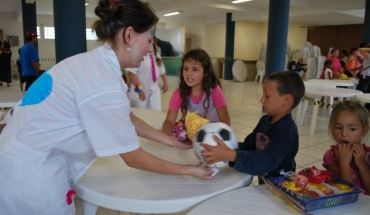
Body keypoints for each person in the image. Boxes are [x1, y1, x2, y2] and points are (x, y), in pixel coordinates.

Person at [0, 1, 213, 214]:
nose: (150, 48)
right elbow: (133, 157)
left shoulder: (95, 64)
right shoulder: (101, 80)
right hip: (28, 173)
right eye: (148, 39)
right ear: (129, 35)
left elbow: (124, 116)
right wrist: (189, 170)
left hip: (21, 154)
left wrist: (169, 139)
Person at [200, 71, 305, 184]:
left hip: (281, 189)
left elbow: (266, 163)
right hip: (265, 186)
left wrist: (231, 155)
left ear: (286, 100)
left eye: (267, 96)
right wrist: (225, 148)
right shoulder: (265, 120)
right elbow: (248, 147)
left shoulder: (287, 130)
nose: (262, 99)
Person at [162, 49, 230, 137]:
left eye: (195, 69)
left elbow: (225, 122)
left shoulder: (215, 91)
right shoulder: (178, 94)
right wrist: (166, 137)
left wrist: (214, 138)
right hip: (192, 136)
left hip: (213, 136)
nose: (188, 73)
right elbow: (169, 121)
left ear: (205, 72)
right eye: (186, 68)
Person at [322, 101, 370, 195]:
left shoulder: (368, 153)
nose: (344, 134)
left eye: (352, 129)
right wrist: (343, 162)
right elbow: (347, 192)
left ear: (364, 130)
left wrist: (362, 164)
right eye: (338, 127)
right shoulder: (331, 156)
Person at [127, 38, 168, 111]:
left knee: (156, 113)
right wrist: (139, 89)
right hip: (141, 90)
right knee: (141, 113)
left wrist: (166, 83)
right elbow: (131, 73)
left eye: (151, 41)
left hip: (154, 90)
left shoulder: (157, 55)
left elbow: (162, 70)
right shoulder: (137, 55)